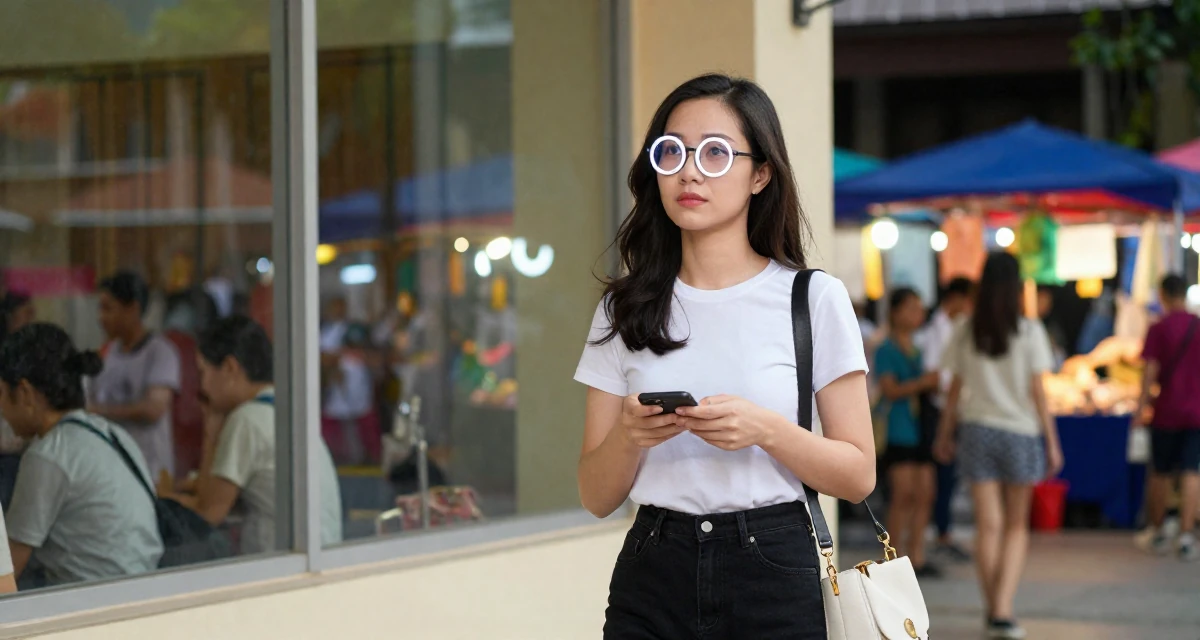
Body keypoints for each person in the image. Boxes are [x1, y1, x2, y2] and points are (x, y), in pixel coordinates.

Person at [575, 74, 874, 638]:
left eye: (716, 153)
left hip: (773, 567)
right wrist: (630, 436)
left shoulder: (812, 299)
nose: (690, 171)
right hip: (653, 567)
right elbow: (595, 495)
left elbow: (859, 476)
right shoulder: (626, 307)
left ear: (761, 173)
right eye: (672, 152)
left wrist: (764, 429)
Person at [934, 252, 1064, 640]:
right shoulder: (1029, 331)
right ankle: (1003, 611)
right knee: (1015, 527)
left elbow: (954, 390)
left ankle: (995, 611)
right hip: (1021, 433)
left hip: (976, 430)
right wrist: (1052, 443)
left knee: (987, 527)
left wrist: (944, 434)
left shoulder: (966, 328)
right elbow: (1039, 393)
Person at [158, 316, 343, 553]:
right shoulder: (283, 409)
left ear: (229, 368)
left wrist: (164, 497)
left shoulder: (248, 418)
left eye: (203, 373)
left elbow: (208, 512)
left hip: (282, 566)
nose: (201, 387)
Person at [0, 323, 163, 588]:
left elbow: (6, 573)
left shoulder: (49, 455)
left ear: (26, 393)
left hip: (93, 607)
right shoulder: (112, 434)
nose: (1, 410)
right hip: (144, 591)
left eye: (1, 395)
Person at [89, 272, 182, 480]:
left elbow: (154, 408)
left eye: (108, 308)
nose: (101, 318)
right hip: (110, 469)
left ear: (132, 309)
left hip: (148, 471)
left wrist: (98, 411)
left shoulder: (160, 352)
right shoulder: (107, 352)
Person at [1134, 274, 1200, 562]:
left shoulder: (1158, 328)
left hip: (1166, 411)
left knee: (1160, 471)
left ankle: (1158, 530)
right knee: (1191, 471)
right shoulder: (1198, 326)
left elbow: (1149, 373)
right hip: (1197, 412)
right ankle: (1186, 535)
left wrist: (1140, 409)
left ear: (1162, 295)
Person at [876, 287, 941, 577]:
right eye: (911, 308)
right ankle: (894, 556)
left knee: (925, 492)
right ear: (896, 312)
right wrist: (923, 383)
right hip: (898, 429)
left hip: (921, 430)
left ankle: (917, 555)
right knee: (902, 494)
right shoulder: (886, 349)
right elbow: (889, 390)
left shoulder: (920, 349)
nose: (918, 314)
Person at [915, 277, 974, 561]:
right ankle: (940, 532)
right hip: (938, 409)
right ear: (956, 298)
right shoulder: (933, 331)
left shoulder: (957, 328)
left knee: (948, 476)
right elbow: (935, 375)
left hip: (954, 407)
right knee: (940, 474)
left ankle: (943, 530)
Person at [0, 291, 34, 508]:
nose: (32, 320)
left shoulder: (27, 353)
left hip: (17, 451)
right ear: (10, 317)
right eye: (27, 313)